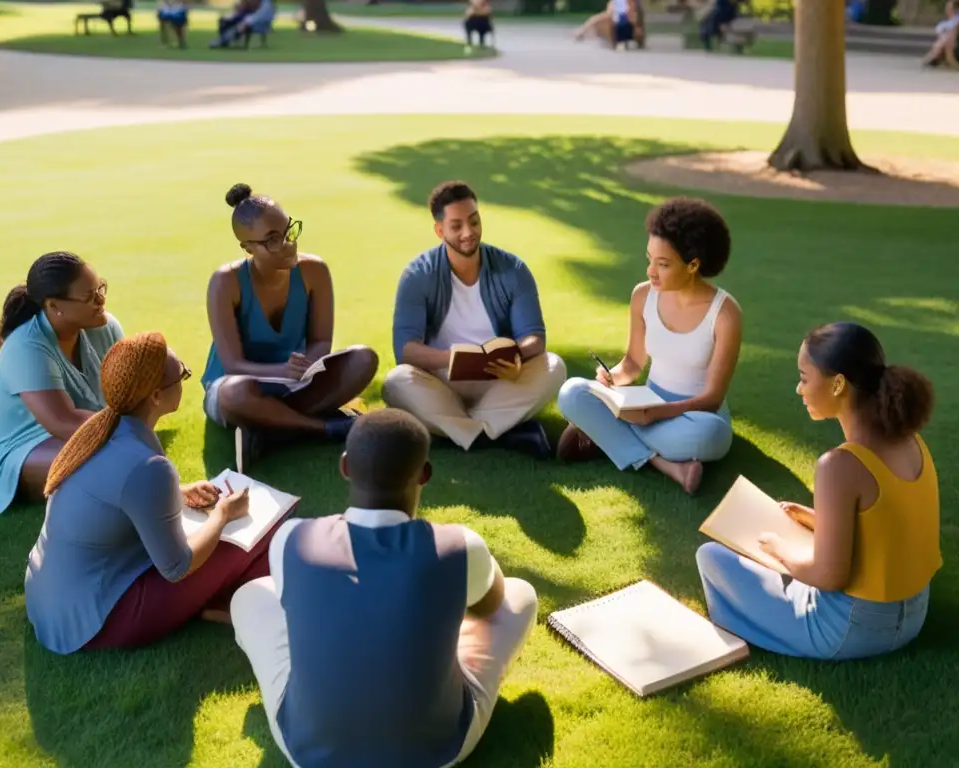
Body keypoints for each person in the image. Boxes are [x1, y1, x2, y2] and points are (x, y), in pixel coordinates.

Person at [230, 408, 538, 767]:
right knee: (520, 594)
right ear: (424, 475)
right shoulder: (459, 545)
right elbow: (490, 606)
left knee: (251, 595)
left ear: (345, 466)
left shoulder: (292, 539)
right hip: (436, 752)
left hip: (308, 752)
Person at [24, 331, 280, 655]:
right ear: (156, 396)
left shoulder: (100, 431)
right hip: (98, 620)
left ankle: (217, 600)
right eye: (182, 375)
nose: (184, 378)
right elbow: (177, 567)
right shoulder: (146, 466)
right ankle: (232, 602)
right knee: (263, 533)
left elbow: (114, 494)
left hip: (53, 600)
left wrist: (179, 491)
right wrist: (222, 514)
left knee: (230, 541)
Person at [696, 322, 940, 660]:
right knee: (798, 549)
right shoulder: (912, 441)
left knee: (710, 557)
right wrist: (815, 518)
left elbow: (829, 575)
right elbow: (888, 525)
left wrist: (779, 550)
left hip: (850, 631)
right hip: (914, 616)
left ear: (838, 383)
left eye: (804, 377)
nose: (799, 389)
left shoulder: (839, 465)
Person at [556, 197, 741, 495]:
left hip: (695, 415)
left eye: (663, 264)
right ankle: (667, 465)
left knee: (709, 436)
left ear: (693, 264)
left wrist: (656, 414)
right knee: (571, 393)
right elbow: (633, 363)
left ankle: (604, 436)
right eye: (649, 259)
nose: (650, 271)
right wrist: (612, 377)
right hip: (645, 402)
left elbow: (712, 398)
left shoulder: (725, 313)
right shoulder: (643, 296)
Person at [383, 180, 567, 460]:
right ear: (439, 230)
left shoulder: (513, 269)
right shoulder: (417, 275)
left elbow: (534, 336)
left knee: (554, 365)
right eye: (456, 226)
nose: (468, 233)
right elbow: (406, 350)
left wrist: (516, 358)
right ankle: (500, 431)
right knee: (397, 381)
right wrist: (452, 359)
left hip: (500, 381)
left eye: (474, 221)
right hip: (441, 383)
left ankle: (460, 430)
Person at [203, 183, 379, 473]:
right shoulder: (225, 282)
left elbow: (321, 341)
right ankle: (325, 428)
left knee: (363, 359)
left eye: (288, 231)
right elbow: (233, 364)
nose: (288, 244)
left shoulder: (315, 271)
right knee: (235, 394)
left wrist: (307, 365)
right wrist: (281, 371)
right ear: (248, 247)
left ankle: (268, 433)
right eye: (272, 240)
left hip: (294, 383)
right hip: (240, 384)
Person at [0, 251, 123, 518]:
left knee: (117, 457)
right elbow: (63, 422)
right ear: (54, 306)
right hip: (17, 445)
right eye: (89, 296)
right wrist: (132, 433)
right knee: (96, 462)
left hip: (85, 430)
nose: (101, 300)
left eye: (101, 288)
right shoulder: (26, 345)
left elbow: (129, 388)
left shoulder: (104, 326)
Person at [921, 0, 959, 69]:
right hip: (948, 42)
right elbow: (940, 32)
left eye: (950, 8)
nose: (948, 10)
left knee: (947, 38)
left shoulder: (956, 19)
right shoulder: (946, 22)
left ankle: (934, 56)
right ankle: (937, 56)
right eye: (947, 8)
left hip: (953, 42)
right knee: (945, 39)